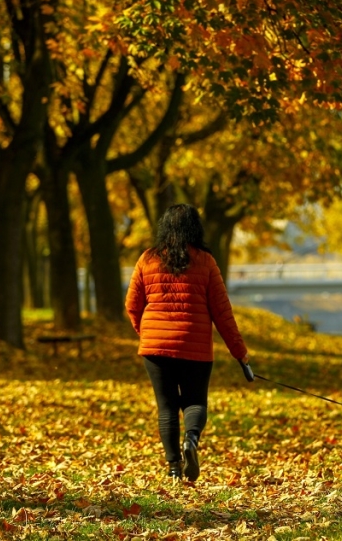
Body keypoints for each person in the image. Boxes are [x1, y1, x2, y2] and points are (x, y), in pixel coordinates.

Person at [125, 204, 250, 482]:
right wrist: (240, 354)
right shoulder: (206, 262)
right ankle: (191, 441)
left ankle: (173, 468)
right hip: (194, 346)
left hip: (155, 348)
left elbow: (132, 305)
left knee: (166, 406)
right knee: (194, 402)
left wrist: (146, 333)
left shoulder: (147, 259)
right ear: (195, 228)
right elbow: (223, 313)